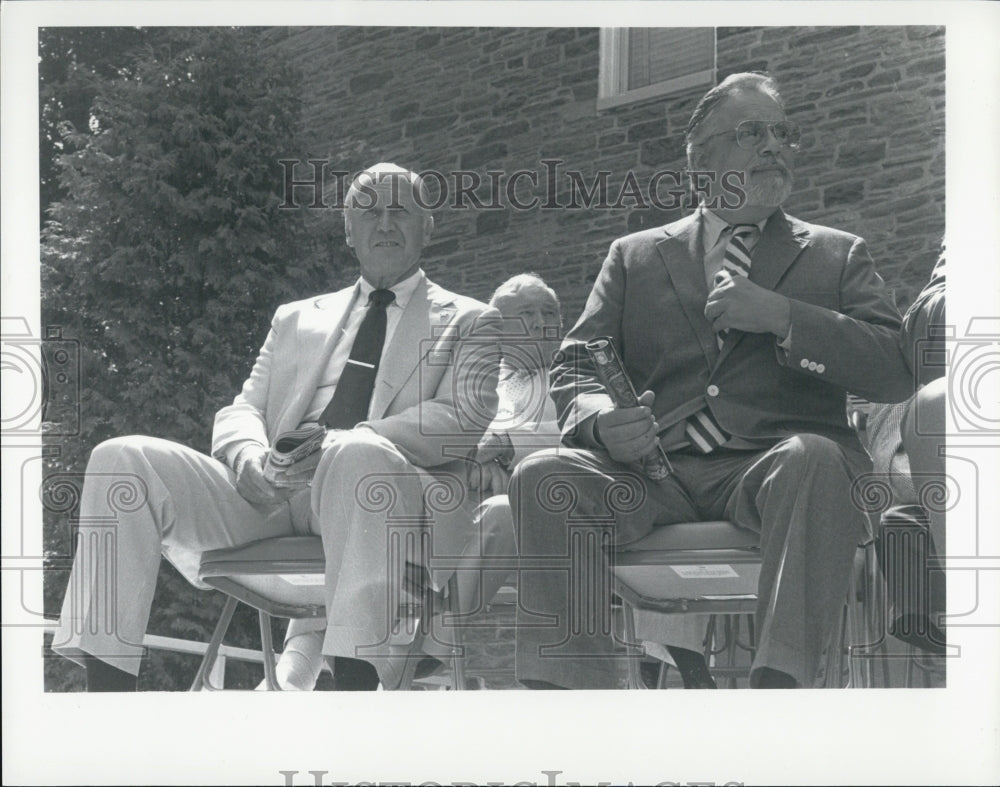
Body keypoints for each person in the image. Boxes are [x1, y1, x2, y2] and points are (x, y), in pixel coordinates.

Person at [511, 72, 915, 690]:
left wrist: (784, 318)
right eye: (752, 132)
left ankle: (779, 693)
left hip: (776, 474)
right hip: (654, 476)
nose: (774, 145)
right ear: (702, 161)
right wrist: (599, 421)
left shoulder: (837, 253)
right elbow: (573, 364)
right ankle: (571, 703)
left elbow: (894, 366)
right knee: (542, 476)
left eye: (784, 132)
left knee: (813, 454)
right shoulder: (635, 255)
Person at [52, 163, 502, 691]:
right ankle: (107, 698)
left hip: (383, 495)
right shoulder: (296, 317)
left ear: (428, 227)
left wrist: (345, 440)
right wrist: (248, 457)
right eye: (369, 211)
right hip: (274, 492)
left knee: (356, 453)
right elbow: (243, 408)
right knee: (120, 458)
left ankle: (352, 696)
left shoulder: (472, 319)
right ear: (347, 231)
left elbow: (462, 418)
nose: (384, 223)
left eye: (400, 210)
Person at [268, 272, 565, 690]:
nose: (539, 323)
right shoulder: (469, 371)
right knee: (359, 510)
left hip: (508, 509)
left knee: (502, 512)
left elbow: (576, 437)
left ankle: (419, 656)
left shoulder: (579, 369)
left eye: (549, 313)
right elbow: (430, 430)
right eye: (525, 314)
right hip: (434, 495)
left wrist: (501, 445)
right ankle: (294, 673)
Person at [855, 247, 946, 653]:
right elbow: (890, 469)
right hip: (933, 499)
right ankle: (922, 621)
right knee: (899, 520)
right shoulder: (893, 385)